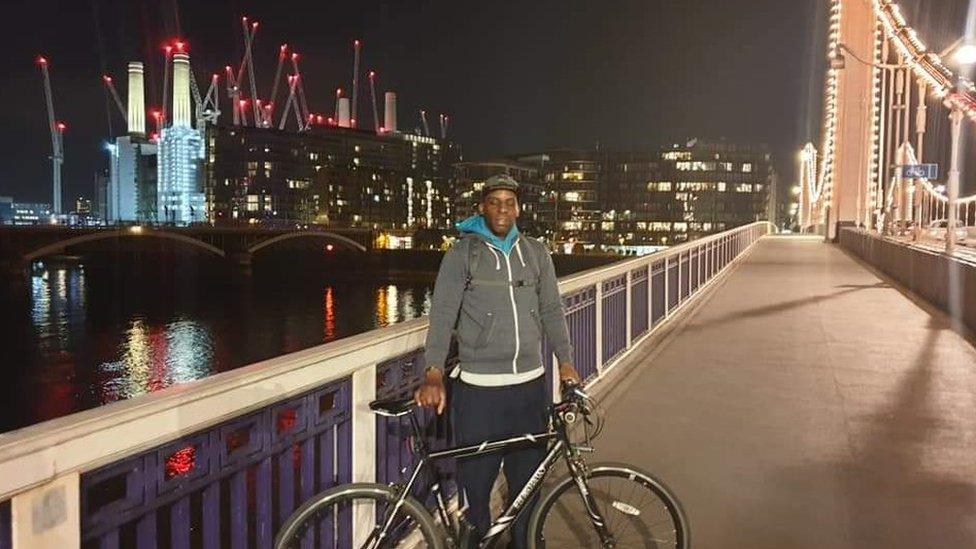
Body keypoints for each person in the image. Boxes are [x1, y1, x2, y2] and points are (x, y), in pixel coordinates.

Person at [415, 174, 580, 548]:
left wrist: (566, 362)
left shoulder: (536, 252)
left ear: (518, 208)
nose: (502, 208)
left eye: (509, 202)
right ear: (482, 207)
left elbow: (552, 310)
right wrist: (434, 371)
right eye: (495, 202)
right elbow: (442, 314)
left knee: (527, 495)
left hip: (528, 388)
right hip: (479, 392)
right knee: (478, 498)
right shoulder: (463, 253)